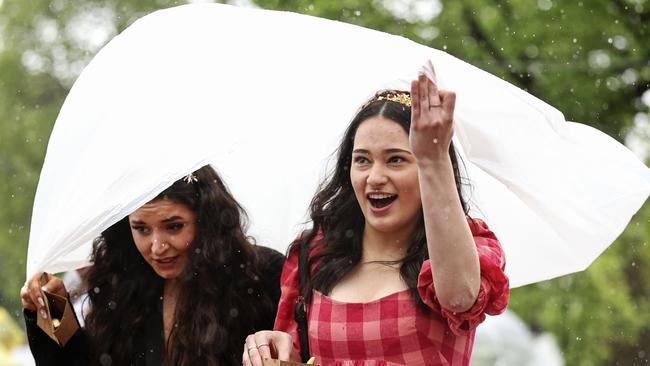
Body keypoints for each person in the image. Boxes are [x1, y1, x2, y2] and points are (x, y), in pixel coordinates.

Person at [243, 75, 509, 366]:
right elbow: (296, 354)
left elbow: (460, 298)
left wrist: (434, 159)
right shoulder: (315, 251)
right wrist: (276, 348)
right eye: (362, 160)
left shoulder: (466, 249)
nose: (375, 177)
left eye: (396, 159)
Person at [21, 165, 284, 366]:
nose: (157, 246)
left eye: (174, 227)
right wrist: (52, 308)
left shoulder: (259, 274)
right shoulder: (121, 284)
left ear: (207, 221)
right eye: (142, 229)